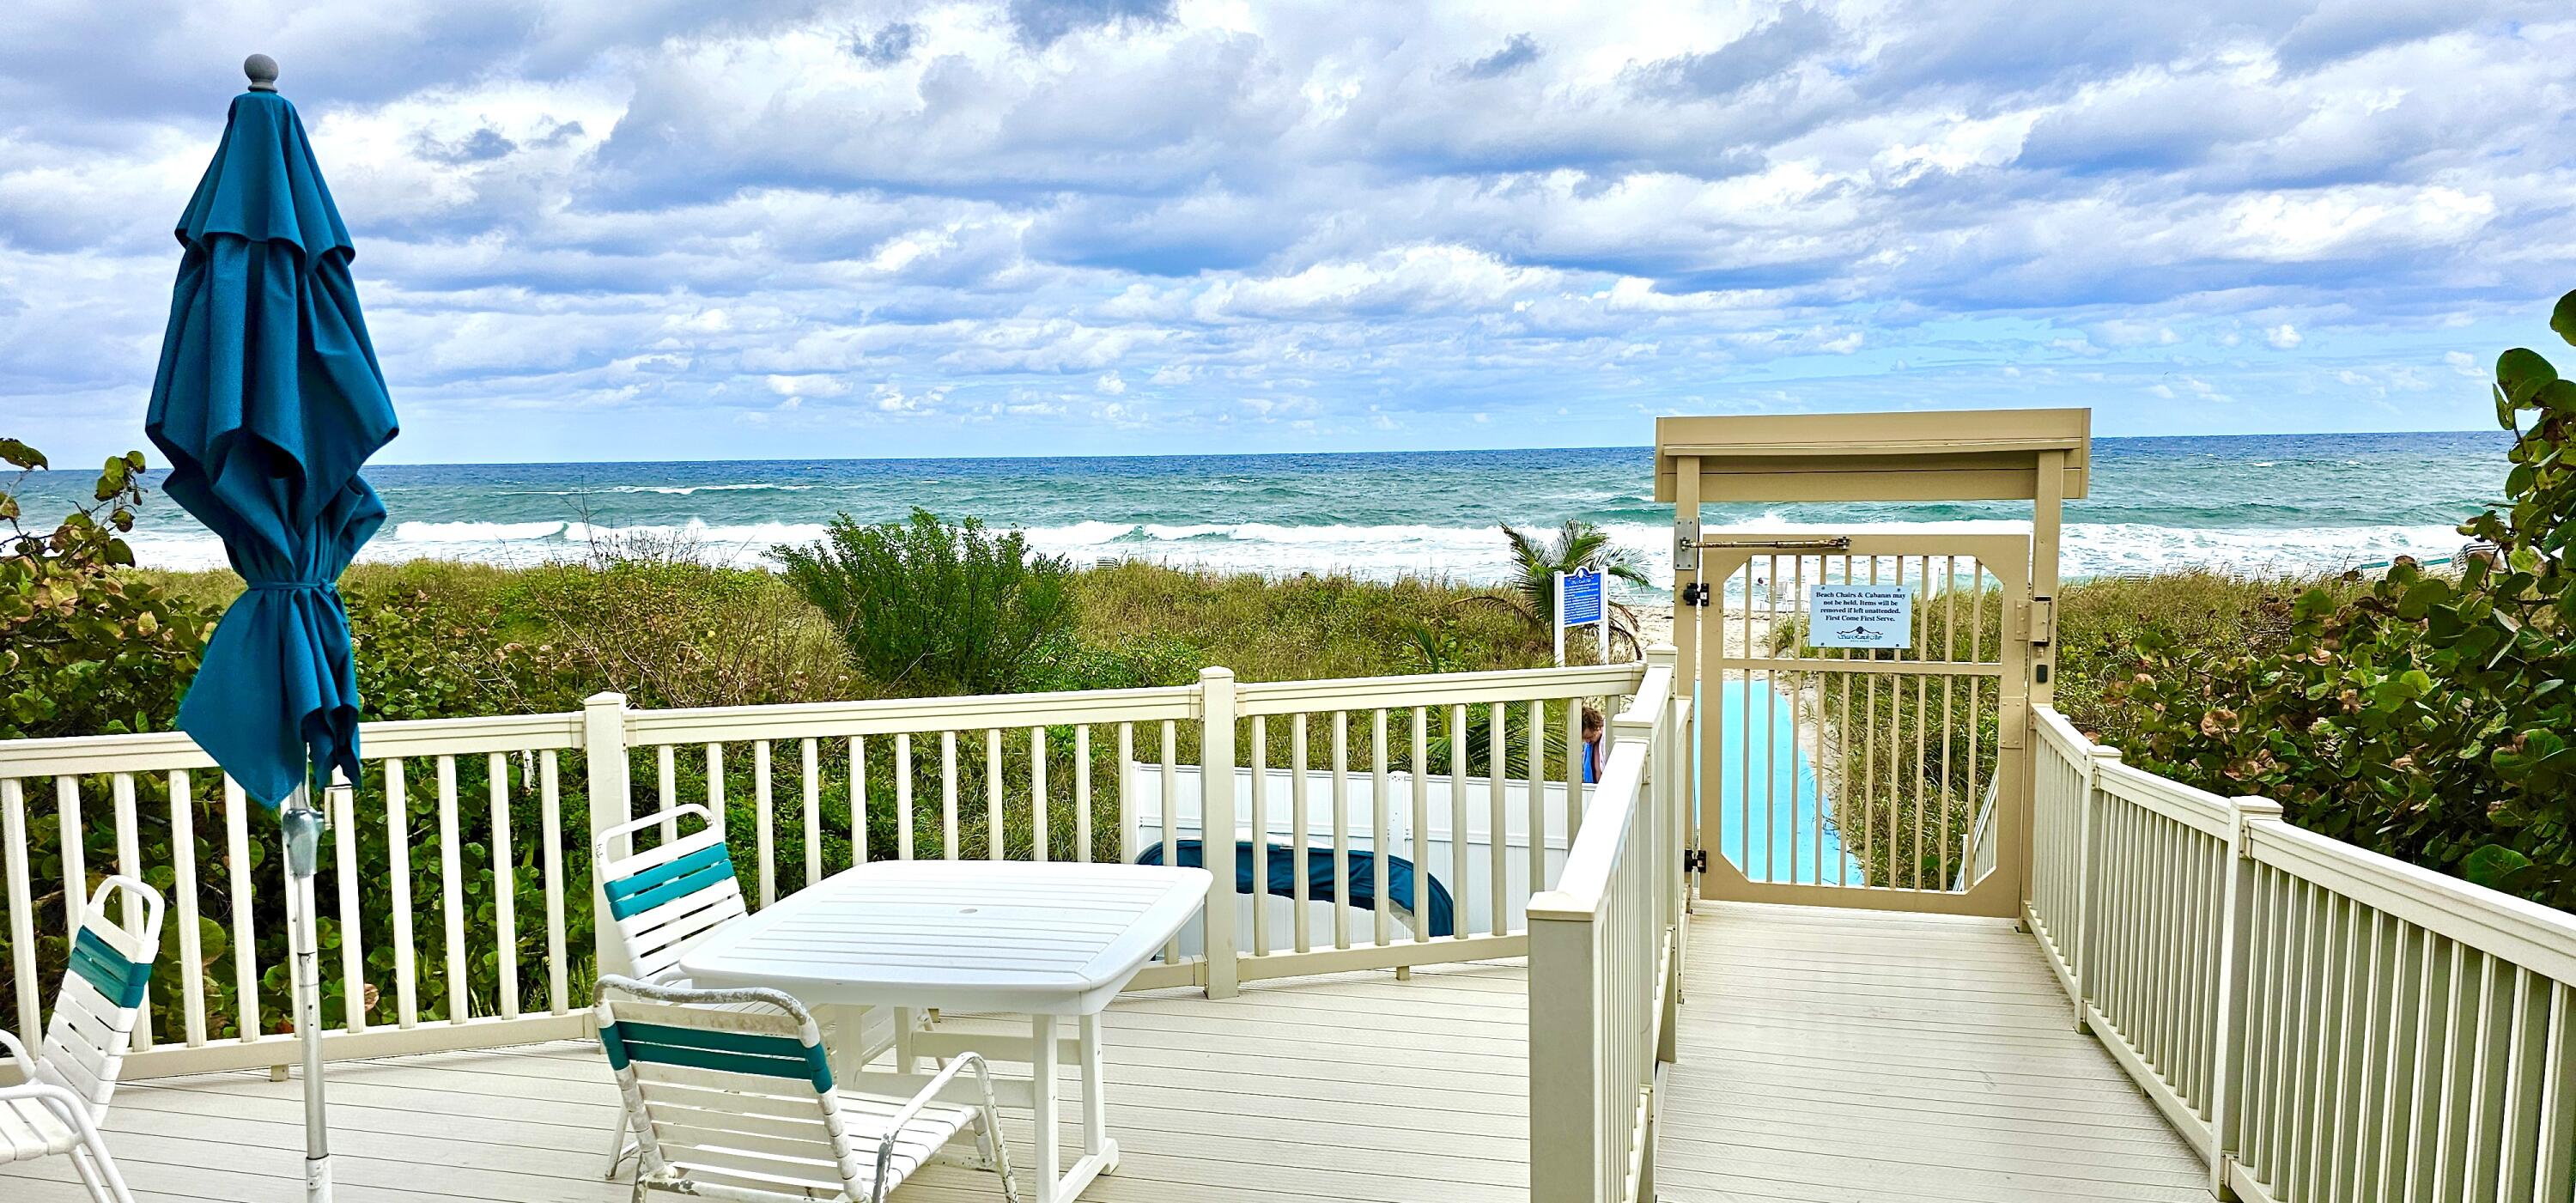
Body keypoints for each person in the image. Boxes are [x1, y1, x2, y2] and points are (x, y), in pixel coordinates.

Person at [1581, 705, 1604, 784]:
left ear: (1597, 727)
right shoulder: (1587, 747)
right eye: (1584, 739)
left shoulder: (1606, 740)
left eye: (1590, 737)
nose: (1588, 741)